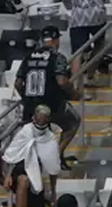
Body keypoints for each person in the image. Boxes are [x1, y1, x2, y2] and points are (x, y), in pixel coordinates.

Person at [15, 26, 79, 164]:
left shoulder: (28, 57)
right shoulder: (57, 57)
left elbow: (18, 84)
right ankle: (56, 155)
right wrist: (74, 94)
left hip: (31, 106)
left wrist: (26, 99)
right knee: (73, 122)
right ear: (56, 40)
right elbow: (61, 81)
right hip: (52, 104)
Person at [2, 105, 61, 207]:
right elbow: (9, 155)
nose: (40, 123)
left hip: (37, 178)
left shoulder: (50, 138)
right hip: (19, 170)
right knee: (24, 180)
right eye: (38, 120)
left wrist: (53, 191)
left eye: (43, 120)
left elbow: (53, 167)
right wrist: (7, 175)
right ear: (34, 118)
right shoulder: (25, 131)